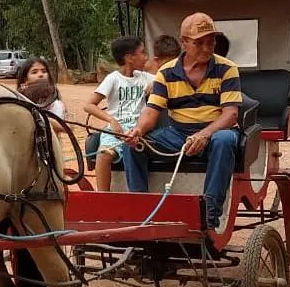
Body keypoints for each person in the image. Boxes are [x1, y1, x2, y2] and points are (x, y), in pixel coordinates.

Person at [124, 13, 241, 230]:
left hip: (217, 132)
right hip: (178, 134)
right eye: (199, 43)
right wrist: (138, 130)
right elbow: (151, 111)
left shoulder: (227, 68)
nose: (207, 48)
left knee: (225, 140)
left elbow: (230, 114)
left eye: (211, 41)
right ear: (184, 43)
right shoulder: (166, 73)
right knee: (133, 145)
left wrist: (204, 134)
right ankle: (140, 211)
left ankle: (209, 216)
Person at [83, 36, 151, 192]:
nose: (146, 57)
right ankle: (103, 199)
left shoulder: (145, 77)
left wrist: (156, 84)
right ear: (129, 58)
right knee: (103, 155)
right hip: (116, 129)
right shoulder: (113, 79)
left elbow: (165, 79)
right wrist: (111, 121)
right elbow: (88, 105)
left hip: (138, 129)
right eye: (142, 52)